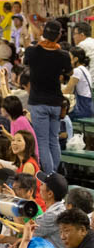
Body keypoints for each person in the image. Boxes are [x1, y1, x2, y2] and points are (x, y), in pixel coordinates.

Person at [23, 18, 72, 171]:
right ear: (59, 36)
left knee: (42, 141)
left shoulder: (32, 51)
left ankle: (49, 176)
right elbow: (69, 73)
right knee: (53, 140)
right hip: (56, 102)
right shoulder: (63, 55)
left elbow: (26, 62)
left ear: (44, 32)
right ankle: (55, 174)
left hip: (38, 102)